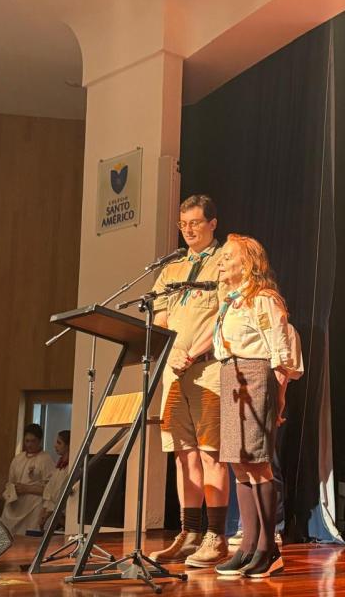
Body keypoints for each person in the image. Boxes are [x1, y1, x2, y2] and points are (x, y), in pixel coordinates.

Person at [212, 234, 301, 578]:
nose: (221, 262)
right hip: (230, 374)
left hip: (255, 374)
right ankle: (247, 545)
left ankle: (268, 548)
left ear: (247, 263)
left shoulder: (264, 299)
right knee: (238, 462)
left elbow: (280, 350)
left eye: (228, 256)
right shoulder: (230, 301)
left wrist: (279, 395)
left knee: (258, 462)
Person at [147, 194, 230, 568]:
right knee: (183, 456)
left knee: (211, 453)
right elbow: (160, 317)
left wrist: (193, 353)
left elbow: (224, 318)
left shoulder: (225, 261)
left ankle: (216, 536)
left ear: (212, 223)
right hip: (173, 372)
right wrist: (172, 351)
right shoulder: (171, 268)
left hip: (209, 371)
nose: (188, 230)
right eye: (183, 224)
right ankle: (189, 533)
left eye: (195, 223)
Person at [0, 424, 54, 535]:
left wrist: (28, 488)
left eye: (33, 441)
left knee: (30, 537)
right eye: (27, 441)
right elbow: (10, 482)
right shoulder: (18, 459)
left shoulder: (46, 459)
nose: (29, 445)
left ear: (39, 441)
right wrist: (12, 490)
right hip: (16, 505)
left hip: (34, 507)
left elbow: (51, 489)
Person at [38, 430, 71, 530]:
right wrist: (44, 510)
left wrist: (49, 512)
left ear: (68, 445)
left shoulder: (70, 467)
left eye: (59, 443)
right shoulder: (59, 466)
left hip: (62, 516)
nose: (55, 446)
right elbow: (50, 490)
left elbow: (59, 493)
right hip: (52, 513)